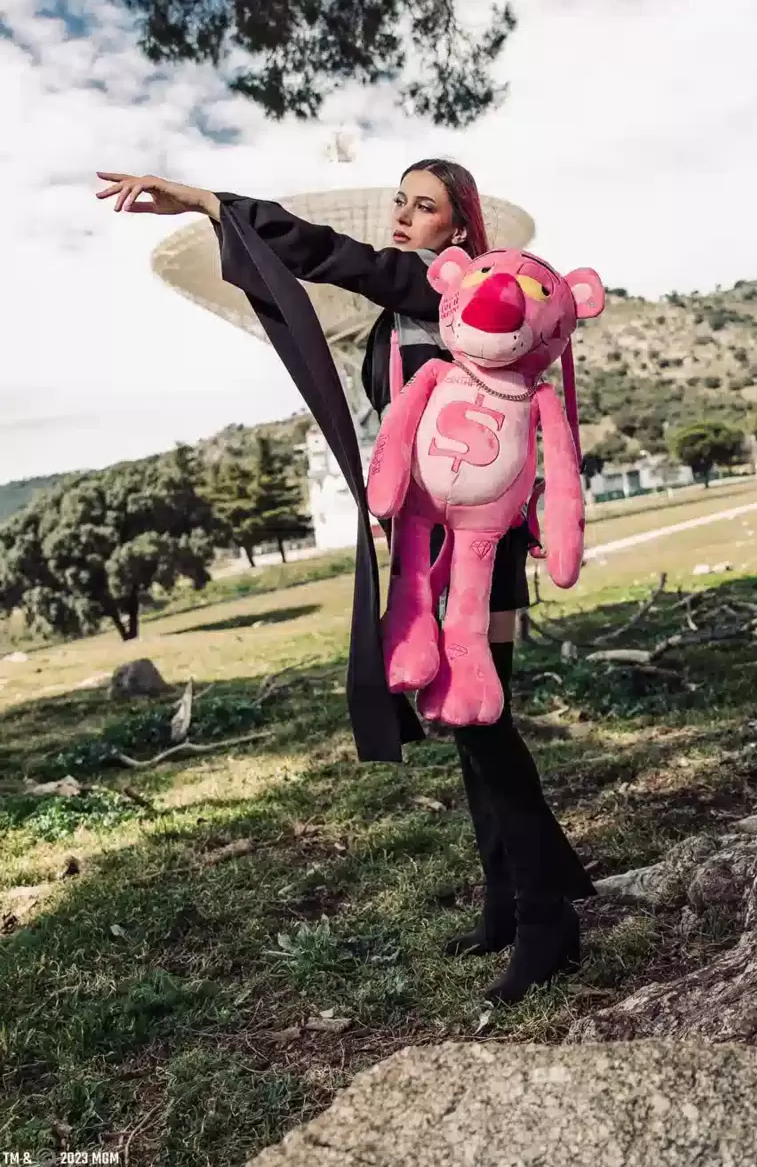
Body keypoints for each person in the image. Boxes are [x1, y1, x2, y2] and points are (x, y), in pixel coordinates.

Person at [94, 161, 596, 1005]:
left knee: (483, 727)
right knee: (467, 728)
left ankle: (549, 921)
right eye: (400, 201)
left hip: (479, 550)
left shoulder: (441, 289)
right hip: (433, 543)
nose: (402, 216)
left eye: (423, 207)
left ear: (458, 230)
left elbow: (330, 254)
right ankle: (510, 902)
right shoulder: (415, 310)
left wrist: (213, 204)